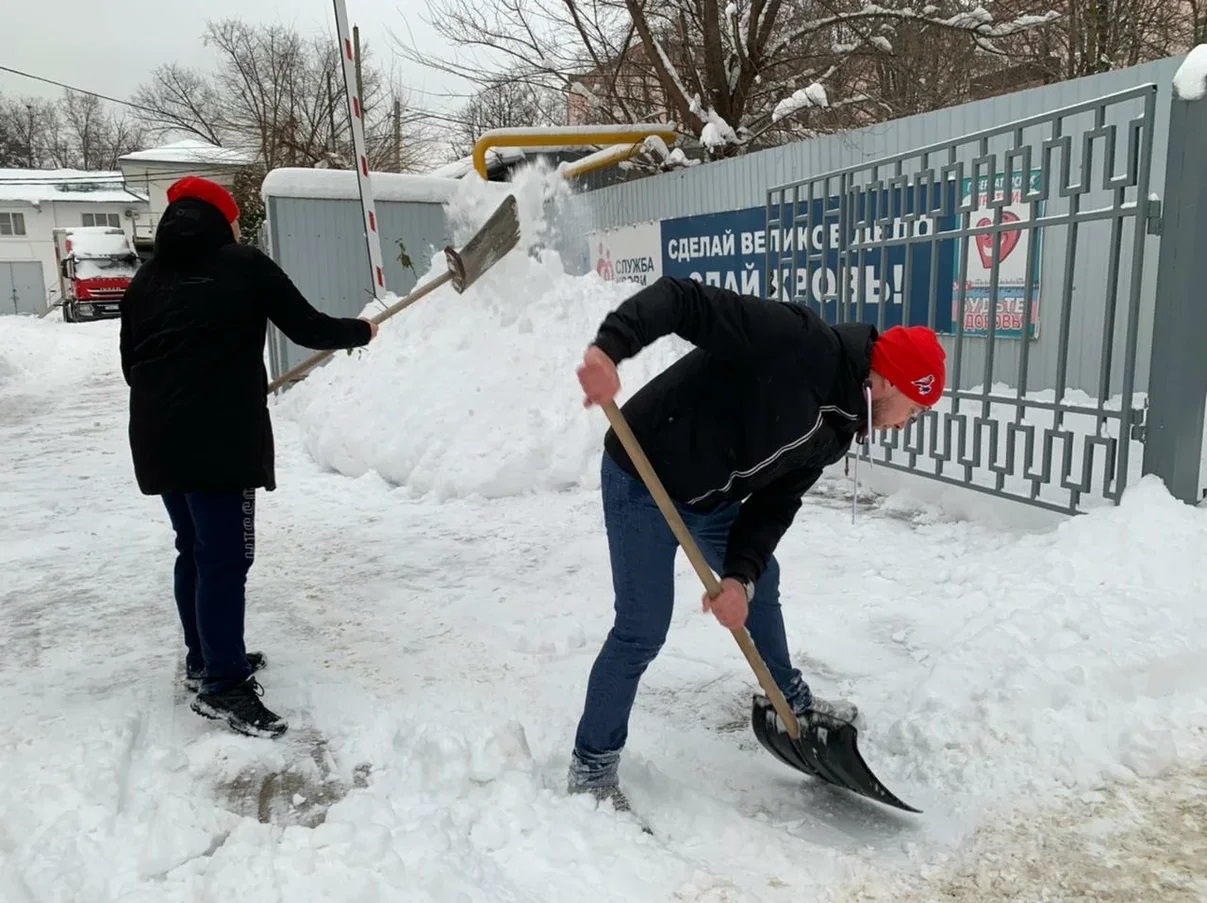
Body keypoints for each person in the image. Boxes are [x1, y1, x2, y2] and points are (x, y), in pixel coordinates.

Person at [569, 274, 946, 811]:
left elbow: (775, 506)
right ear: (891, 381)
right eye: (917, 408)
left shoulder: (839, 427)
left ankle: (788, 701)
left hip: (711, 499)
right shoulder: (798, 341)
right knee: (641, 629)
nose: (909, 423)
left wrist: (739, 576)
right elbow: (683, 299)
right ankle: (591, 767)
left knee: (761, 582)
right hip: (642, 476)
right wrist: (611, 348)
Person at [119, 175, 379, 739]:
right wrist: (361, 330)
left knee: (194, 548)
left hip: (158, 437)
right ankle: (224, 687)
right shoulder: (243, 264)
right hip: (218, 441)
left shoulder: (146, 281)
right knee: (225, 560)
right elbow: (308, 327)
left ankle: (205, 660)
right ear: (223, 218)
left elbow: (128, 366)